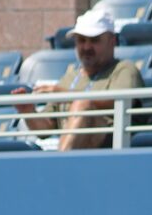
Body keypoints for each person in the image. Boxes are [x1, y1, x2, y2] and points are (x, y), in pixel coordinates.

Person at [14, 8, 143, 150]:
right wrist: (28, 112)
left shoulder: (124, 69)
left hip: (110, 151)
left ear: (112, 41)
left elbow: (118, 101)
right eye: (81, 40)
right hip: (79, 156)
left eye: (94, 40)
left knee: (83, 106)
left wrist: (65, 94)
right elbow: (45, 129)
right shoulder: (69, 77)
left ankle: (60, 165)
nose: (86, 47)